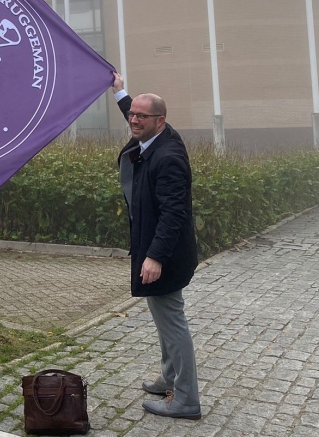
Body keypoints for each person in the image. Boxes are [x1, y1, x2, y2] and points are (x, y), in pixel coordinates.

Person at [111, 72, 201, 420]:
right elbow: (137, 118)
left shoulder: (168, 158)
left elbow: (174, 214)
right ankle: (170, 377)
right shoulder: (154, 135)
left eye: (140, 116)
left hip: (165, 255)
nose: (133, 120)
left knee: (172, 323)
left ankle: (186, 399)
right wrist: (121, 93)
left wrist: (155, 257)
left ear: (159, 121)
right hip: (155, 250)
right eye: (131, 113)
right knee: (164, 320)